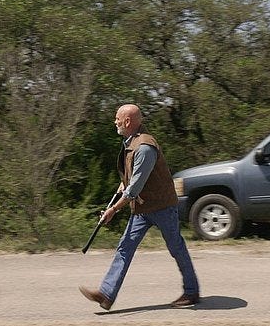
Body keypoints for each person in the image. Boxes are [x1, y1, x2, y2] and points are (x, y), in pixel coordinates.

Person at [79, 104, 200, 310]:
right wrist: (120, 188)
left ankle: (191, 292)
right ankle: (106, 295)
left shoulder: (144, 147)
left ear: (127, 122)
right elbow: (133, 177)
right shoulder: (131, 142)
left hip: (162, 206)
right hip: (143, 208)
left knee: (176, 248)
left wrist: (113, 210)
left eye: (117, 118)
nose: (114, 121)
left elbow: (135, 187)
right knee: (124, 247)